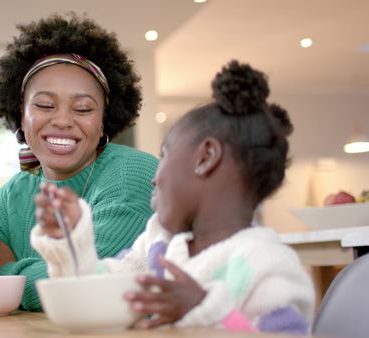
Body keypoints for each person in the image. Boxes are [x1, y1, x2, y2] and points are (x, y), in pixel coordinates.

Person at [31, 60, 315, 334]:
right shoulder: (159, 241)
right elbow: (99, 293)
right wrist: (69, 241)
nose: (154, 177)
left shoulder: (269, 264)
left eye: (164, 155)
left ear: (205, 157)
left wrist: (205, 310)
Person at [0, 13, 158, 311]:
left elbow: (90, 282)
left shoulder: (133, 173)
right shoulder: (16, 194)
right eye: (45, 105)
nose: (62, 120)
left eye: (83, 108)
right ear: (21, 114)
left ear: (103, 122)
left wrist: (5, 273)